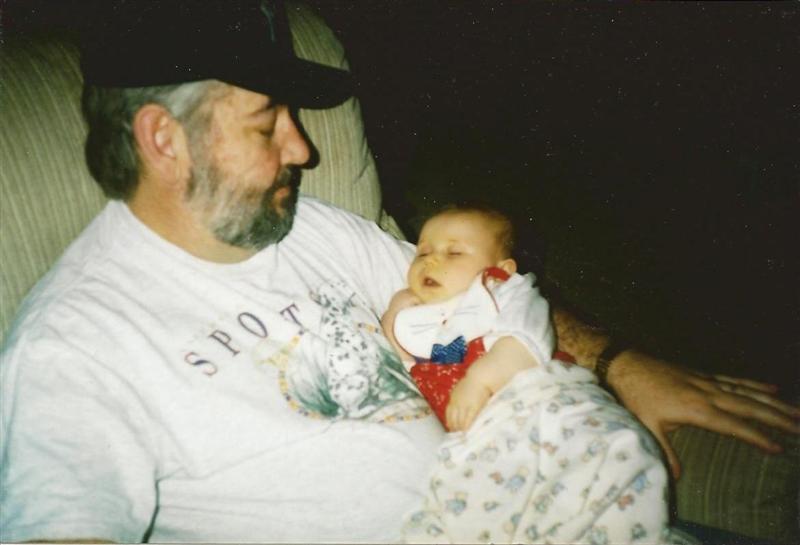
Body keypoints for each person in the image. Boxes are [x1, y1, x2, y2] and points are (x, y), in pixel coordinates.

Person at [0, 1, 797, 542]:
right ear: (162, 139)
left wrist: (620, 363)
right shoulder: (73, 347)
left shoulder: (310, 225)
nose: (303, 148)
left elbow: (481, 296)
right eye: (267, 121)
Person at [382, 205, 675, 543]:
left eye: (454, 252)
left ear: (501, 267)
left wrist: (479, 380)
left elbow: (524, 338)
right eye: (422, 252)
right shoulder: (425, 320)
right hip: (485, 441)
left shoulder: (501, 291)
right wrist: (395, 313)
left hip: (539, 400)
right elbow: (409, 360)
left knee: (606, 453)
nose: (431, 260)